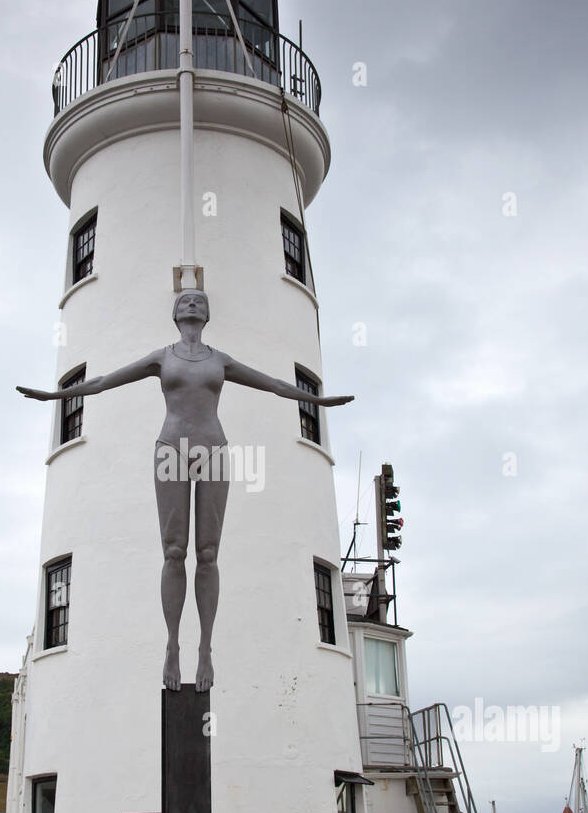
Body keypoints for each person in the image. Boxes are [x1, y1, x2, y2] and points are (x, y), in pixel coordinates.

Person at [18, 289, 354, 691]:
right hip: (170, 450)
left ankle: (206, 648)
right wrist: (56, 396)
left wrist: (318, 400)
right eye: (185, 300)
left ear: (208, 313)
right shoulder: (162, 357)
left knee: (208, 553)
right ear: (175, 312)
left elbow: (275, 385)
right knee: (174, 550)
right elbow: (106, 380)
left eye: (199, 300)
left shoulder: (220, 360)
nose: (192, 303)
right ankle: (173, 644)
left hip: (212, 449)